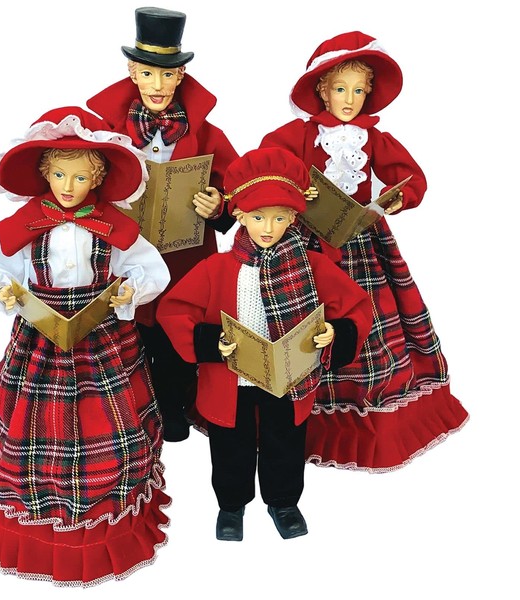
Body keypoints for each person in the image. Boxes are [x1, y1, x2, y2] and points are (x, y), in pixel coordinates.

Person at [0, 107, 172, 586]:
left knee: (111, 420)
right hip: (40, 334)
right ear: (44, 174)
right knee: (33, 421)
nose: (68, 186)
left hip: (101, 335)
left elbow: (150, 268)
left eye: (79, 176)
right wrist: (5, 291)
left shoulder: (113, 225)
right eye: (59, 174)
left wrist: (128, 291)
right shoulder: (26, 223)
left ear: (97, 178)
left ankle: (108, 512)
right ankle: (34, 512)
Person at [260, 31, 468, 472]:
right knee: (298, 320)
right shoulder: (298, 134)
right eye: (340, 89)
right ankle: (295, 414)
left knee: (368, 319)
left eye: (358, 91)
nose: (349, 100)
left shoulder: (373, 138)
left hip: (359, 242)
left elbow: (411, 178)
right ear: (322, 91)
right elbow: (265, 168)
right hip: (307, 243)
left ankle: (367, 412)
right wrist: (294, 188)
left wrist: (395, 198)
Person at [157, 148, 372, 541]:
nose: (268, 228)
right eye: (258, 217)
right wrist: (209, 342)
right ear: (239, 216)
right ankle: (231, 505)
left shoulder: (312, 266)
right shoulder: (217, 268)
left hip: (289, 376)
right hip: (232, 378)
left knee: (284, 441)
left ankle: (283, 502)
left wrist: (335, 332)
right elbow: (174, 310)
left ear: (293, 218)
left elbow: (356, 305)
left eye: (278, 218)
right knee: (230, 446)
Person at [86, 7, 239, 442]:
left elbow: (237, 185)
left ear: (181, 76)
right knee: (125, 326)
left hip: (185, 255)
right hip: (122, 252)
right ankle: (127, 412)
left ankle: (174, 407)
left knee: (176, 327)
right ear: (132, 72)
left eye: (167, 75)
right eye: (148, 73)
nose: (157, 85)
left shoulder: (207, 134)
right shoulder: (104, 129)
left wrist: (220, 205)